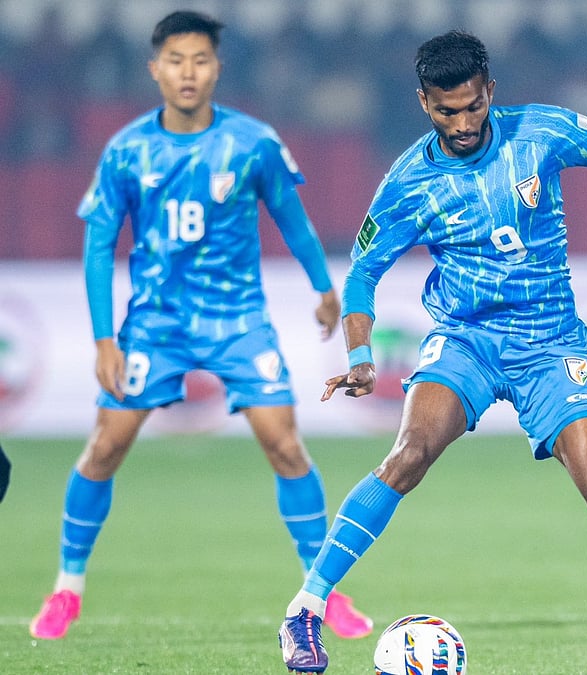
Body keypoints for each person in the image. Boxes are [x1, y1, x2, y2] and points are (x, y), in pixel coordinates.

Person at [277, 30, 587, 675]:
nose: (462, 123)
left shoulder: (539, 132)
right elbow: (364, 273)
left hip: (549, 341)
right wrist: (361, 355)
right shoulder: (409, 182)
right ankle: (305, 611)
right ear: (424, 103)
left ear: (490, 92)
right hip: (465, 340)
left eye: (473, 106)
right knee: (408, 454)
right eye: (446, 111)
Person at [29, 10, 372, 642]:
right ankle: (66, 589)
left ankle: (322, 592)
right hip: (155, 324)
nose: (188, 72)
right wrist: (104, 339)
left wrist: (325, 290)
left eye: (201, 60)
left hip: (238, 321)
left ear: (217, 68)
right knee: (105, 448)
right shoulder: (127, 150)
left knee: (286, 446)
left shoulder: (253, 142)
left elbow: (291, 218)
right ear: (155, 69)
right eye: (176, 60)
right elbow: (99, 245)